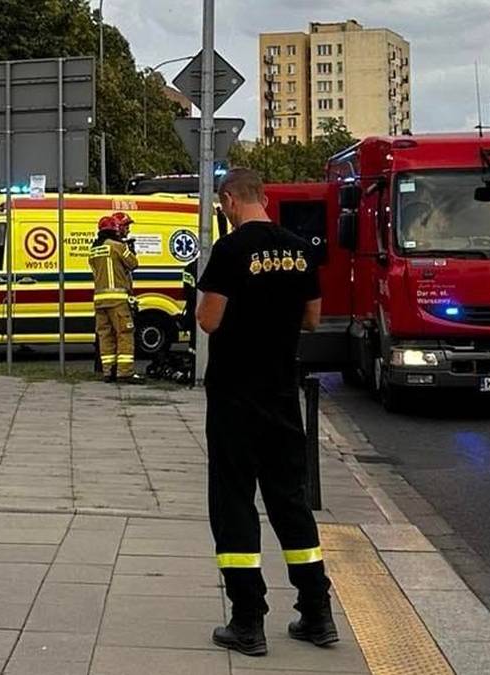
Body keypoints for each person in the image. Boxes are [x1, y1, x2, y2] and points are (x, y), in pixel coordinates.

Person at [197, 168, 335, 657]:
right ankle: (317, 612)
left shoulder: (230, 251)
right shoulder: (300, 249)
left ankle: (248, 621)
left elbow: (209, 320)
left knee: (234, 502)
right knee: (289, 501)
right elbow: (313, 318)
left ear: (231, 200)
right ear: (266, 198)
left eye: (222, 204)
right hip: (281, 394)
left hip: (235, 396)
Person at [89, 215, 142, 384]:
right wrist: (129, 249)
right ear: (115, 230)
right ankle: (124, 373)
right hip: (118, 300)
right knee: (125, 334)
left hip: (99, 300)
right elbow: (133, 264)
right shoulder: (118, 246)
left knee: (106, 336)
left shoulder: (94, 249)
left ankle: (108, 371)